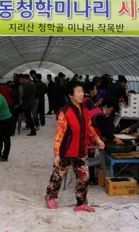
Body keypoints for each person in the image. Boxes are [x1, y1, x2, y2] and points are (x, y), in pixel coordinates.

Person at [44, 81, 105, 212]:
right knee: (57, 176)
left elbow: (88, 127)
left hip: (80, 150)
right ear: (70, 95)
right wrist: (56, 153)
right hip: (66, 151)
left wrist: (97, 138)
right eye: (78, 91)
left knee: (84, 177)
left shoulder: (84, 109)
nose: (82, 94)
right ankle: (50, 197)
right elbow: (59, 135)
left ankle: (81, 203)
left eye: (82, 91)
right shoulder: (64, 112)